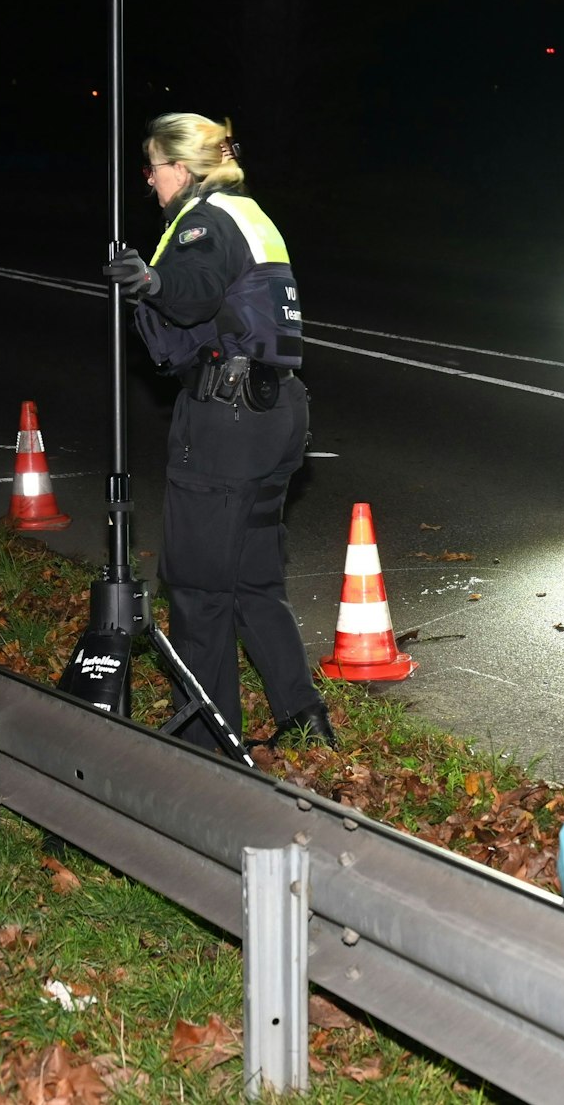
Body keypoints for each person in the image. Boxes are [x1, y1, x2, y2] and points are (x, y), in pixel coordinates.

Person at [102, 113, 336, 751]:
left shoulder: (202, 222)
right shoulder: (249, 213)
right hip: (276, 411)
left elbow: (197, 289)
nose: (148, 181)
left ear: (180, 169)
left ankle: (209, 746)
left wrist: (150, 280)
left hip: (227, 420)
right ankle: (303, 719)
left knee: (199, 589)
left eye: (152, 168)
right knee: (252, 580)